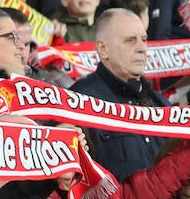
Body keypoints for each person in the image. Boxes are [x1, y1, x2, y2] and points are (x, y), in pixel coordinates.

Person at [69, 9, 166, 180]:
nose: (142, 48)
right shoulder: (77, 103)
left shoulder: (160, 103)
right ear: (103, 49)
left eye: (144, 40)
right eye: (130, 40)